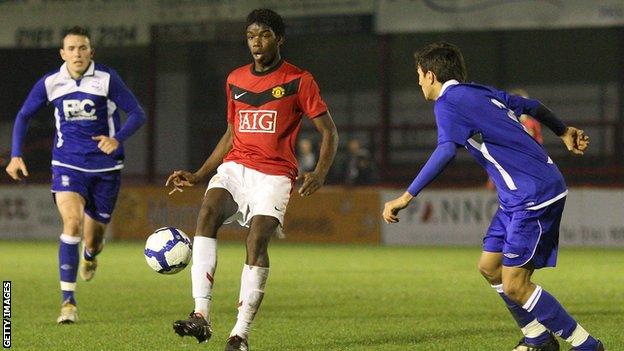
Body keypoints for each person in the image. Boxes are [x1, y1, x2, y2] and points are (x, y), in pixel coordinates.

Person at [382, 42, 602, 351]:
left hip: (532, 194)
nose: (418, 81)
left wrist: (405, 196)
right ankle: (537, 337)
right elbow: (533, 106)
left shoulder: (447, 103)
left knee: (516, 284)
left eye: (419, 74)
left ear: (430, 75)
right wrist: (563, 131)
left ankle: (586, 345)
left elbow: (446, 150)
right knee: (489, 266)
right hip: (518, 195)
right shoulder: (477, 92)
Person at [166, 8, 338, 351]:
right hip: (236, 167)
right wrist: (200, 174)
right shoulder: (235, 80)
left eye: (264, 36)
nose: (256, 43)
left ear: (279, 39)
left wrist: (320, 172)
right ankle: (200, 315)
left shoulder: (299, 80)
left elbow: (329, 131)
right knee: (207, 212)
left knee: (256, 241)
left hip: (275, 175)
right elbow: (232, 133)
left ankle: (239, 334)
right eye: (251, 36)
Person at [5, 26, 146, 324]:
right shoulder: (51, 82)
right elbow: (23, 116)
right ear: (63, 53)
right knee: (72, 222)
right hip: (67, 164)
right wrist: (16, 154)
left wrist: (117, 138)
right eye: (71, 48)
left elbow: (137, 113)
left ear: (91, 52)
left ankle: (91, 254)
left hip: (106, 169)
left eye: (83, 48)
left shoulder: (107, 79)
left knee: (93, 240)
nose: (77, 54)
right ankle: (68, 302)